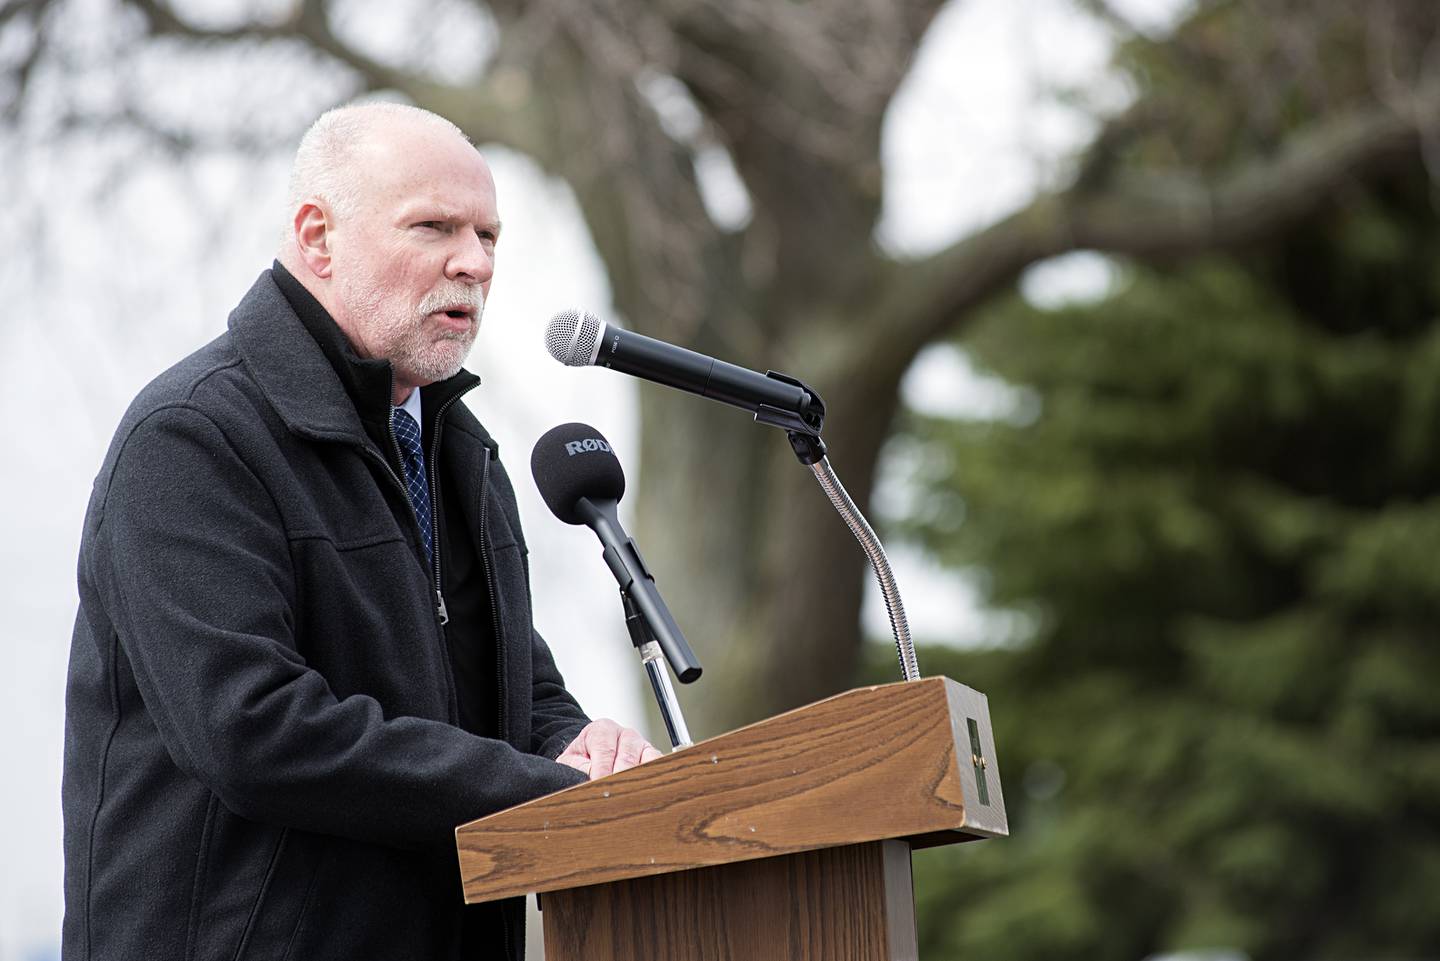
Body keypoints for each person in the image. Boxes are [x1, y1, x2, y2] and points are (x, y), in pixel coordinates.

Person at [62, 102, 660, 961]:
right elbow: (255, 729)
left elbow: (516, 692)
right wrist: (553, 789)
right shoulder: (193, 436)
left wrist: (583, 747)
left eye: (490, 236)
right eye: (434, 227)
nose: (474, 263)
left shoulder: (460, 451)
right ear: (318, 237)